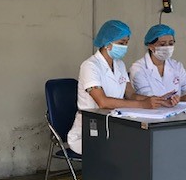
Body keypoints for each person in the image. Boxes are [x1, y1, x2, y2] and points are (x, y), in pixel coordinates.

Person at [67, 20, 176, 154]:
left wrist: (157, 101)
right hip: (88, 131)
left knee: (143, 146)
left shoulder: (119, 65)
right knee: (129, 151)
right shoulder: (90, 66)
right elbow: (103, 102)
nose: (125, 47)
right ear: (107, 44)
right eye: (121, 43)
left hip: (114, 125)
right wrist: (143, 105)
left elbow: (131, 95)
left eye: (126, 43)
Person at [129, 24, 186, 103]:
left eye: (171, 44)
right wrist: (180, 99)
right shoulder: (138, 69)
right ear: (151, 46)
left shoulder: (176, 66)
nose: (167, 47)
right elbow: (149, 99)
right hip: (150, 116)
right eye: (162, 44)